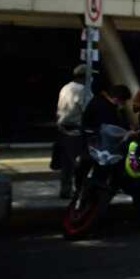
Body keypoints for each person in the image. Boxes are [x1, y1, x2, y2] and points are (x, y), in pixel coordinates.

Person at [81, 83, 140, 229]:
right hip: (109, 155)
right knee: (137, 183)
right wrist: (127, 134)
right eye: (123, 101)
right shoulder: (103, 107)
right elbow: (109, 131)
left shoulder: (100, 103)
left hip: (102, 155)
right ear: (118, 98)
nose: (123, 105)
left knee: (104, 187)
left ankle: (96, 217)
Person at [55, 64, 92, 199]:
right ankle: (79, 189)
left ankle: (65, 189)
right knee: (81, 163)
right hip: (76, 131)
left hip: (62, 130)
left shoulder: (65, 88)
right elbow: (88, 112)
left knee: (67, 163)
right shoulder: (83, 91)